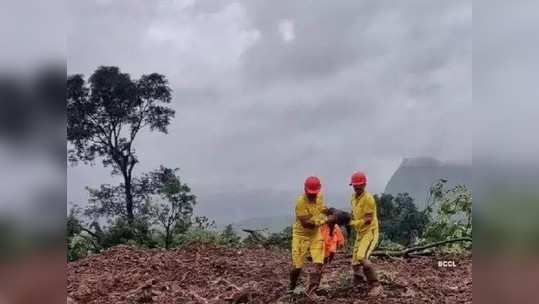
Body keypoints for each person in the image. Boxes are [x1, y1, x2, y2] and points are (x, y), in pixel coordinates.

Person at [289, 176, 336, 294]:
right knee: (297, 267)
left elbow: (322, 209)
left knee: (319, 263)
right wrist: (326, 220)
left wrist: (332, 212)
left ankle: (312, 291)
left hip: (315, 235)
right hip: (301, 236)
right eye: (311, 193)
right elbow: (306, 224)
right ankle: (292, 286)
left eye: (315, 193)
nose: (313, 196)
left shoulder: (319, 197)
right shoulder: (300, 202)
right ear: (305, 190)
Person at [348, 171, 383, 296]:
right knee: (354, 262)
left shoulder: (368, 199)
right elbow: (353, 213)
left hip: (369, 232)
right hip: (360, 233)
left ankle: (376, 285)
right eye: (355, 185)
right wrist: (348, 218)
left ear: (364, 184)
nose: (357, 187)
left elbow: (368, 220)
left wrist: (352, 223)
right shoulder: (353, 197)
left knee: (362, 258)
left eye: (359, 185)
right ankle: (359, 283)